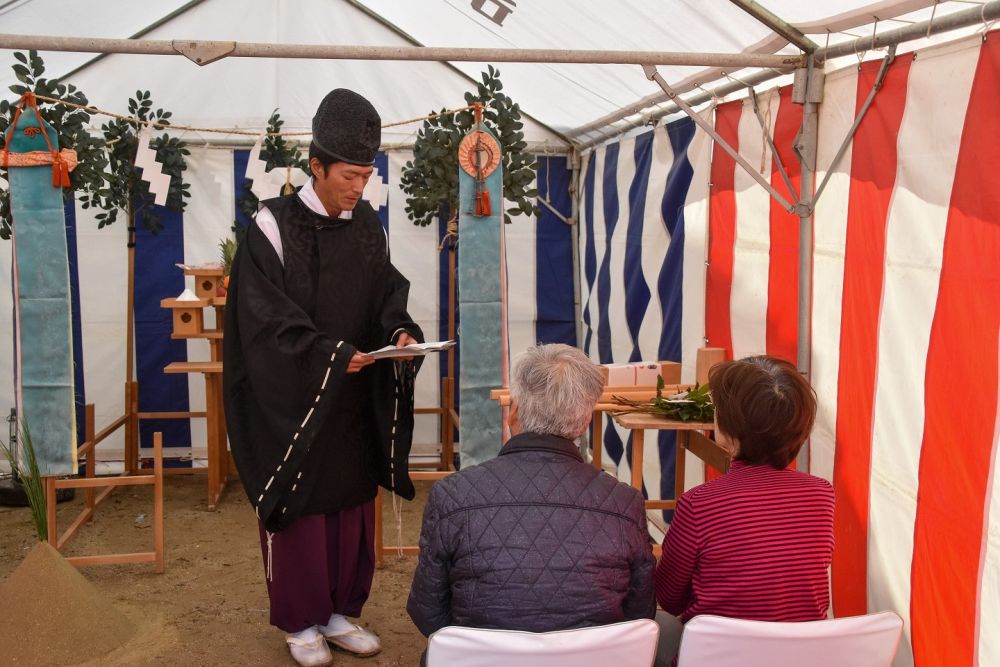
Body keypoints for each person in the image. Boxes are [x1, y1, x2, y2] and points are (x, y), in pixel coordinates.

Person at [223, 88, 423, 667]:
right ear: (316, 166)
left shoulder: (368, 227)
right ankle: (298, 621)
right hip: (292, 396)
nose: (360, 187)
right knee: (303, 508)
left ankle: (337, 611)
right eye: (350, 175)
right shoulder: (272, 225)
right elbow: (263, 320)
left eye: (367, 175)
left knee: (350, 505)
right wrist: (331, 355)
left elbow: (385, 293)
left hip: (354, 396)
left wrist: (401, 333)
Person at [406, 344, 656, 656]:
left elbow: (427, 611)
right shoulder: (625, 501)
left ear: (514, 414)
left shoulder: (453, 493)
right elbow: (640, 613)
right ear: (584, 423)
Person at [653, 355, 834, 664]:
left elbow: (669, 599)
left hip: (718, 657)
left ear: (732, 427)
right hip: (800, 656)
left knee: (653, 627)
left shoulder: (700, 504)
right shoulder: (822, 494)